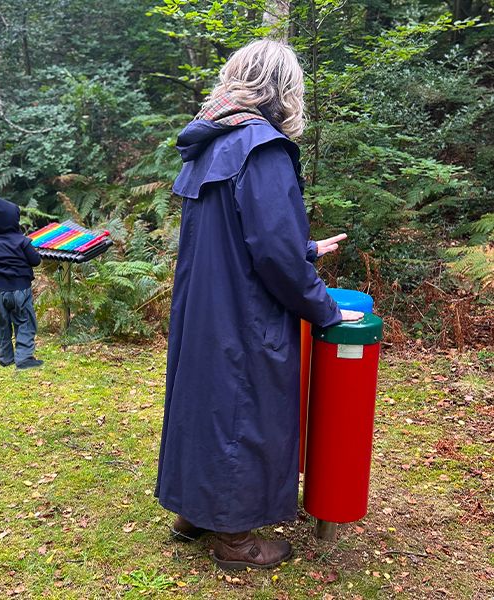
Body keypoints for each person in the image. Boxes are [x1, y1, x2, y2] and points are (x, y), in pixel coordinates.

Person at [154, 39, 363, 570]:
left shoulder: (212, 140)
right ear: (281, 88)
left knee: (203, 404)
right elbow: (272, 253)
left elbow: (234, 235)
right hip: (241, 312)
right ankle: (236, 539)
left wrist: (307, 248)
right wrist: (324, 309)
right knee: (243, 410)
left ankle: (194, 512)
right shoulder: (260, 146)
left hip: (202, 306)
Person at [0, 195, 44, 370]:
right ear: (13, 219)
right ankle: (23, 358)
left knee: (3, 326)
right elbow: (35, 261)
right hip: (21, 291)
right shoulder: (22, 241)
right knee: (25, 323)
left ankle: (5, 358)